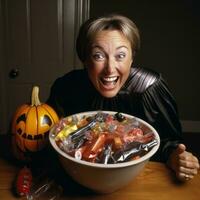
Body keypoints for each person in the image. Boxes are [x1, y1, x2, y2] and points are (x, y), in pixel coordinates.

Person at [47, 14, 199, 181]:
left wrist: (176, 158)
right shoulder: (66, 87)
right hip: (78, 179)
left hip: (139, 180)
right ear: (85, 59)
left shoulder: (150, 88)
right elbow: (45, 139)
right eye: (98, 55)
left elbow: (170, 143)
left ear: (132, 57)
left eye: (120, 56)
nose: (110, 69)